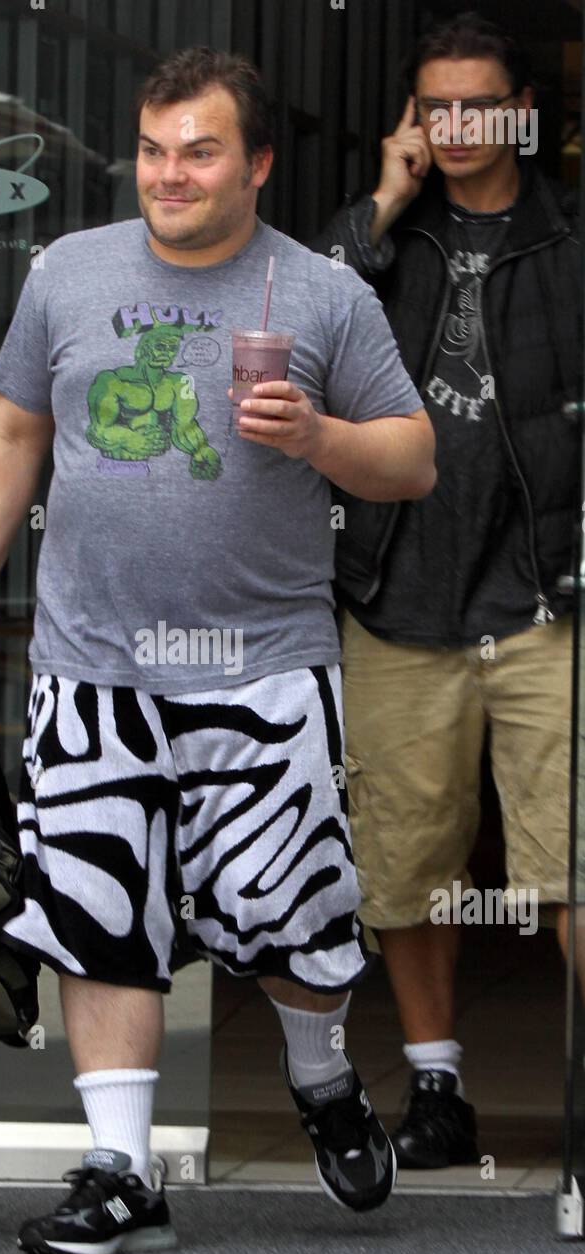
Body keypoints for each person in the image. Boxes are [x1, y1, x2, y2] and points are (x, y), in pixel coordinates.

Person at [0, 45, 435, 1254]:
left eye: (199, 151)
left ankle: (321, 1078)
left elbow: (413, 458)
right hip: (92, 667)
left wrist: (317, 435)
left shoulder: (320, 294)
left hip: (262, 665)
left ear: (255, 163)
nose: (171, 174)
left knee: (291, 906)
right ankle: (120, 1169)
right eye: (155, 151)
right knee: (98, 908)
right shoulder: (69, 272)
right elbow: (10, 430)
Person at [312, 11, 581, 1170]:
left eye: (481, 105)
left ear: (522, 110)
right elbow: (303, 323)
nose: (459, 128)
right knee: (407, 863)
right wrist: (383, 195)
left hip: (546, 597)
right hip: (398, 591)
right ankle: (435, 1087)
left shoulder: (571, 236)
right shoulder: (383, 239)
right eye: (437, 108)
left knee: (572, 860)